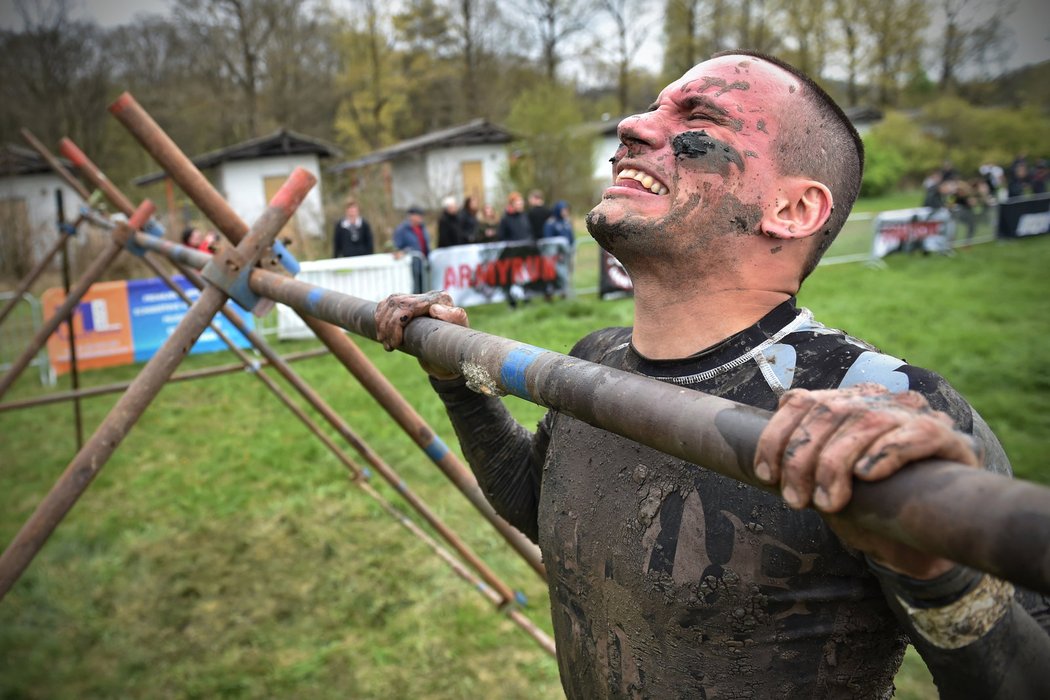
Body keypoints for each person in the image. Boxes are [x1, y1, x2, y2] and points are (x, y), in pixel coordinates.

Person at [376, 51, 1050, 698]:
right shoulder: (593, 360)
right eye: (650, 109)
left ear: (791, 209)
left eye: (696, 122)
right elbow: (539, 505)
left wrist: (940, 577)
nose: (633, 126)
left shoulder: (895, 414)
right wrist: (454, 379)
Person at [392, 205, 430, 293]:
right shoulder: (402, 229)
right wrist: (407, 251)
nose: (421, 217)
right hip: (411, 265)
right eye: (418, 215)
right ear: (411, 216)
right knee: (415, 290)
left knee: (425, 288)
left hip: (423, 264)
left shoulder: (422, 228)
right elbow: (397, 247)